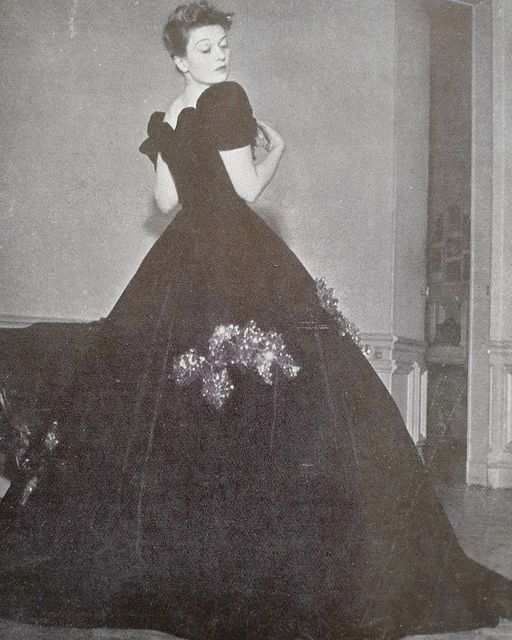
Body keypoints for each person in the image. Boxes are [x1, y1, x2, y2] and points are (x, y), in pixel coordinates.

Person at [0, 2, 511, 639]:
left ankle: (181, 558)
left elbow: (165, 202)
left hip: (181, 257)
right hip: (236, 253)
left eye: (223, 45)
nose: (222, 55)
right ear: (181, 56)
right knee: (278, 406)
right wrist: (281, 152)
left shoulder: (166, 115)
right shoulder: (228, 99)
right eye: (208, 46)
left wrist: (177, 152)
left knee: (176, 410)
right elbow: (242, 191)